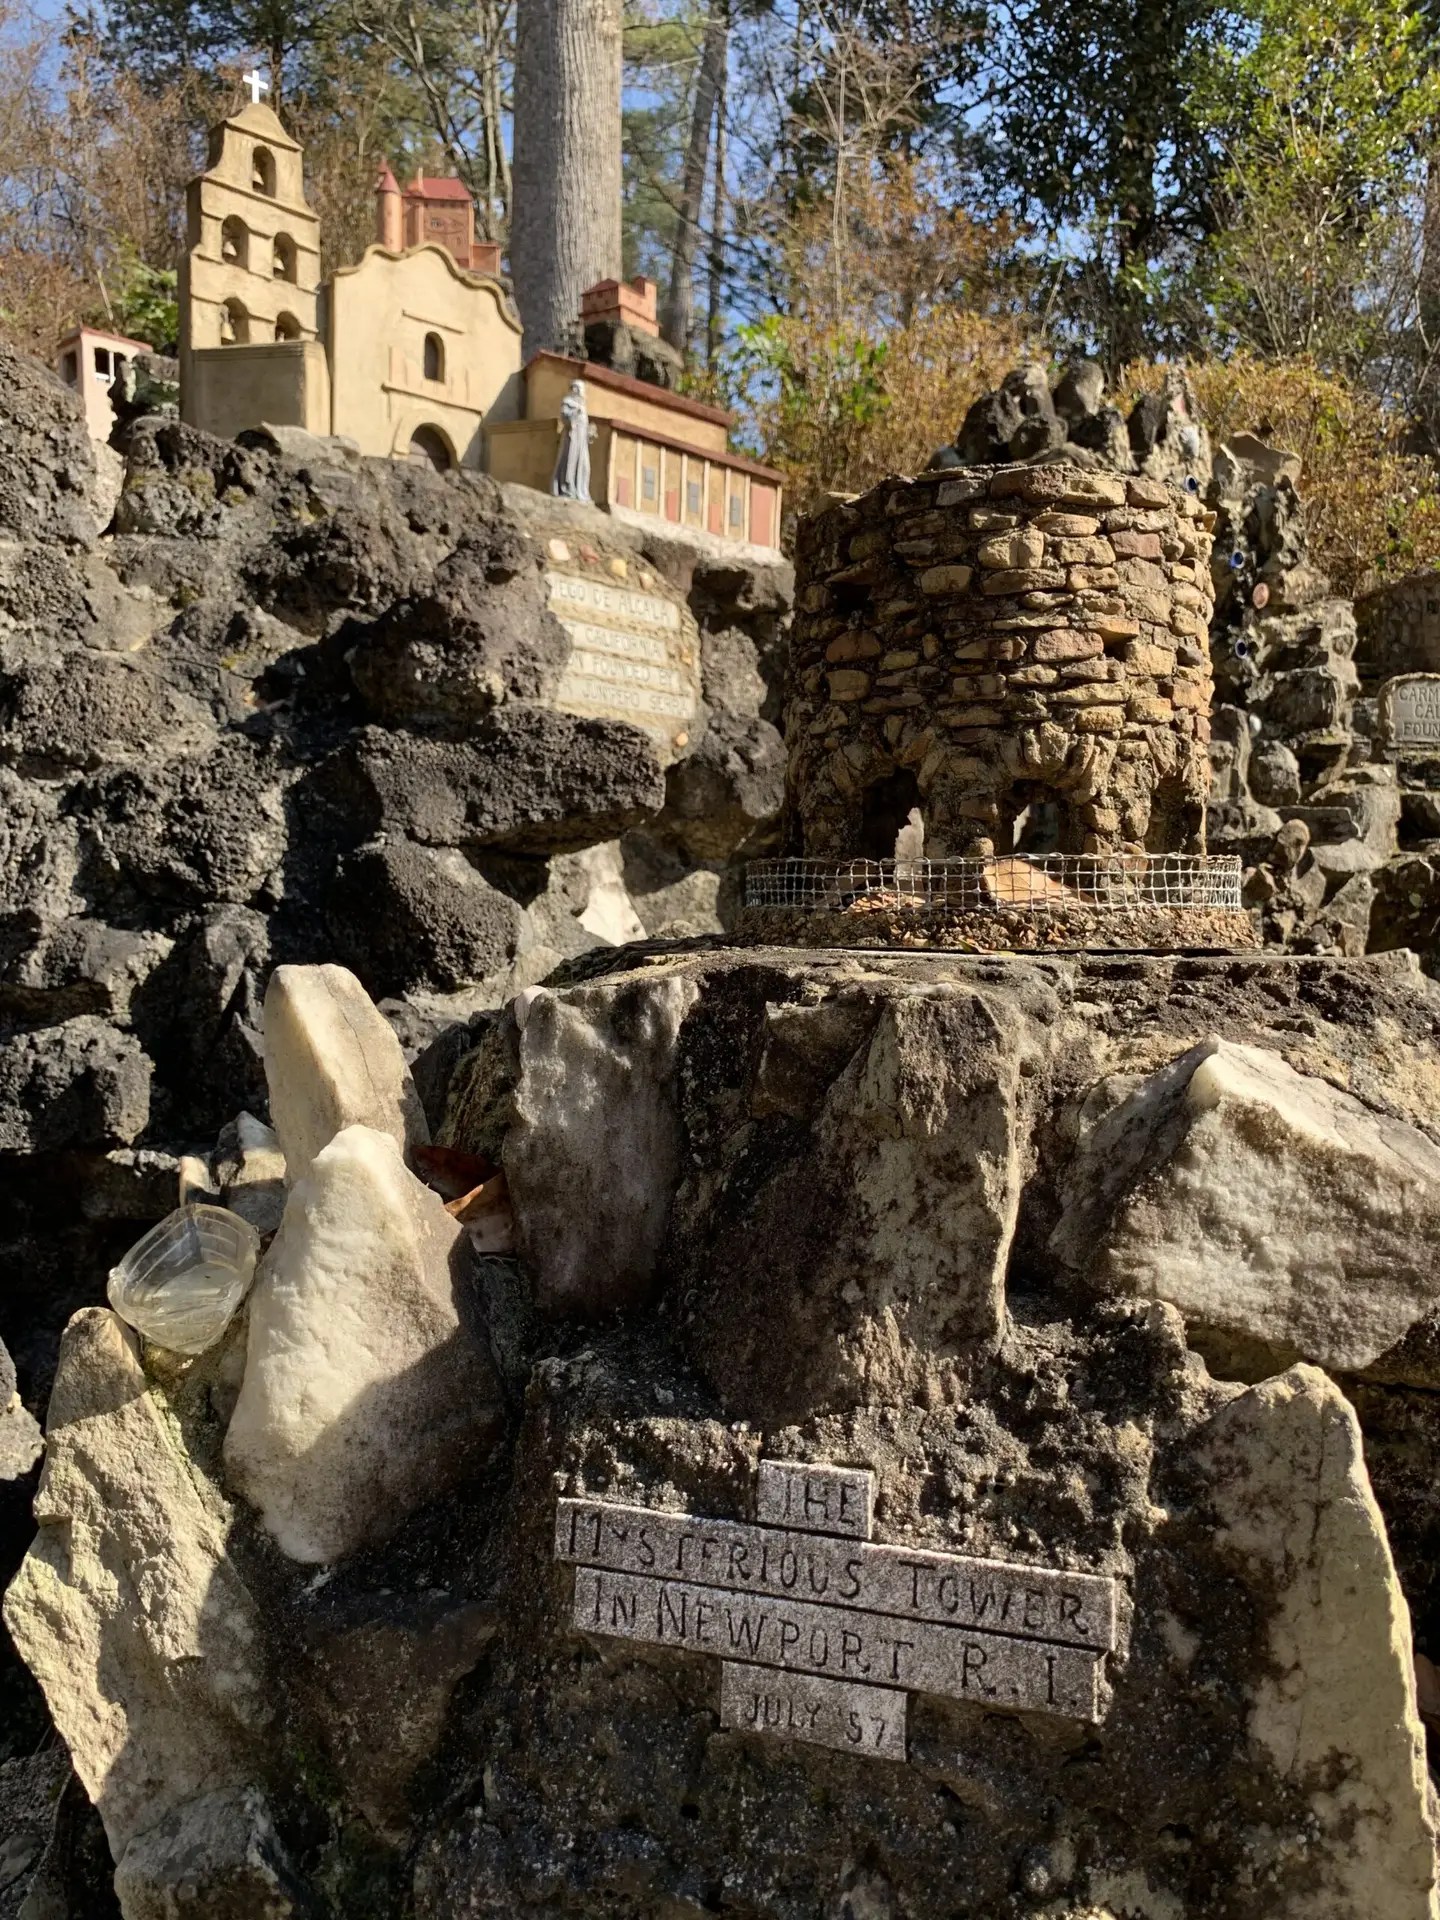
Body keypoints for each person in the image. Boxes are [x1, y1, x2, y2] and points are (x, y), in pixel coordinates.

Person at [552, 379, 593, 500]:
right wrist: (573, 415)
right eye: (574, 387)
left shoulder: (583, 406)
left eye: (578, 388)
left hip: (582, 440)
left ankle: (581, 491)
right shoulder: (568, 402)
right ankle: (567, 488)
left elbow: (584, 424)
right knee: (570, 461)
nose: (576, 390)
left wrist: (589, 433)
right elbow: (565, 417)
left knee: (585, 466)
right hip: (572, 437)